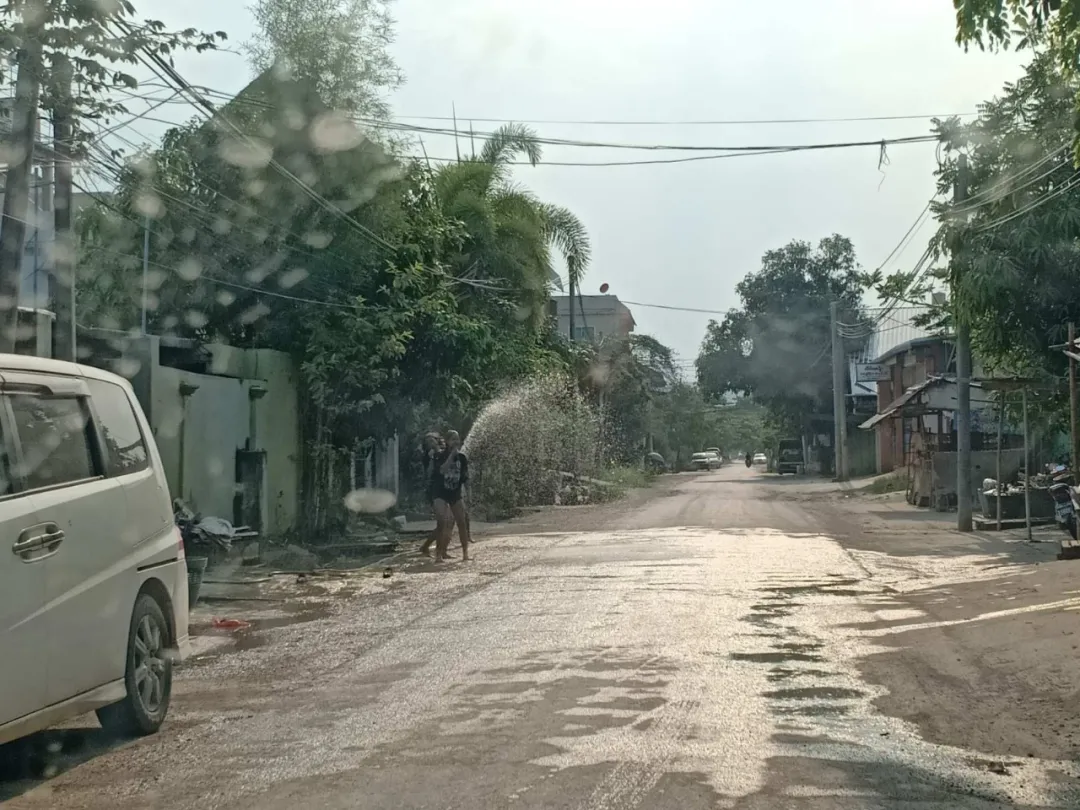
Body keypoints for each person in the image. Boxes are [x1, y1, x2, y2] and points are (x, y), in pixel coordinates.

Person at [433, 429, 472, 562]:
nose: (456, 442)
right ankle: (438, 554)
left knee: (461, 522)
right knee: (441, 522)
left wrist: (469, 491)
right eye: (453, 439)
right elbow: (442, 470)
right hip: (440, 492)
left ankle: (465, 553)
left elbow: (465, 477)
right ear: (447, 441)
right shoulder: (439, 455)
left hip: (455, 492)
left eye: (457, 439)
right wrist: (451, 456)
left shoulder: (462, 458)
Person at [419, 432, 446, 557]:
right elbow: (429, 474)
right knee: (442, 522)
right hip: (434, 491)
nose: (431, 443)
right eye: (428, 442)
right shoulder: (430, 456)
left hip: (444, 489)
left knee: (445, 522)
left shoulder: (440, 452)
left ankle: (440, 550)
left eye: (432, 440)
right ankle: (428, 547)